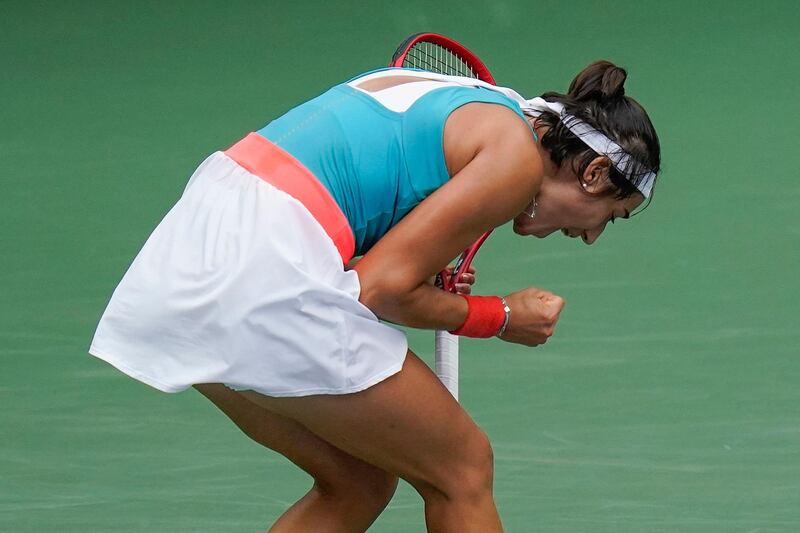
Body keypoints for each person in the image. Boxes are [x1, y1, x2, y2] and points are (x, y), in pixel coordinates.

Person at [89, 59, 660, 532]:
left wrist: (409, 273)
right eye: (609, 216)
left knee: (358, 481)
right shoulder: (513, 161)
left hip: (195, 254)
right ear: (592, 174)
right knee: (462, 469)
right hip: (265, 271)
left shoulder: (484, 104)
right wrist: (502, 316)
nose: (589, 235)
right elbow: (382, 291)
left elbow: (367, 242)